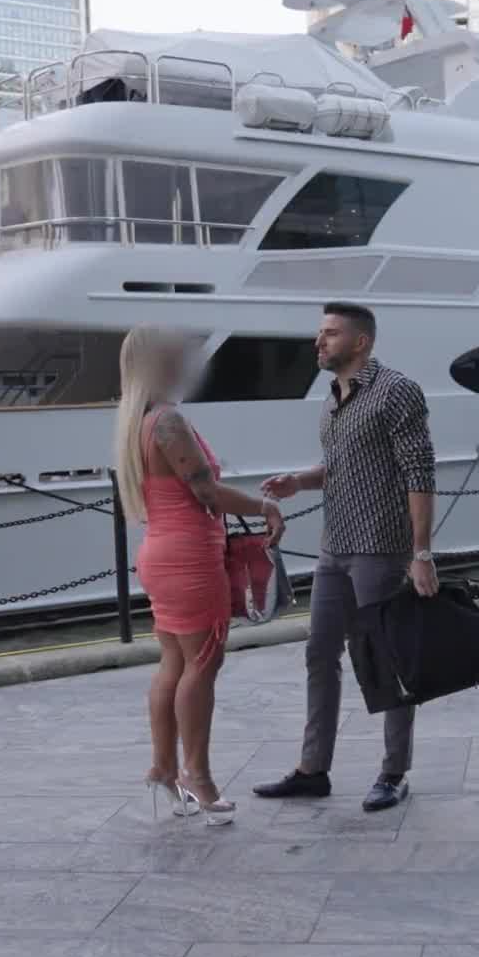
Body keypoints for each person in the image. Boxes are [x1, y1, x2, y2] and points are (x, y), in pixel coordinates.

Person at [254, 302, 438, 812]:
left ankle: (394, 772)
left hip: (381, 548)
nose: (319, 342)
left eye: (330, 334)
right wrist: (299, 481)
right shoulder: (333, 395)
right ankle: (313, 770)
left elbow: (420, 473)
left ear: (361, 342)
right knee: (320, 654)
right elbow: (339, 467)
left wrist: (421, 552)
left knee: (386, 659)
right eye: (320, 333)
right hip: (334, 548)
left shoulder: (397, 391)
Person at [113, 327, 285, 826]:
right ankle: (199, 777)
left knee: (173, 662)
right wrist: (265, 506)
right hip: (190, 557)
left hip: (160, 554)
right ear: (159, 363)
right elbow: (206, 493)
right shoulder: (168, 421)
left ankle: (164, 769)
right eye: (177, 356)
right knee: (203, 664)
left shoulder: (136, 421)